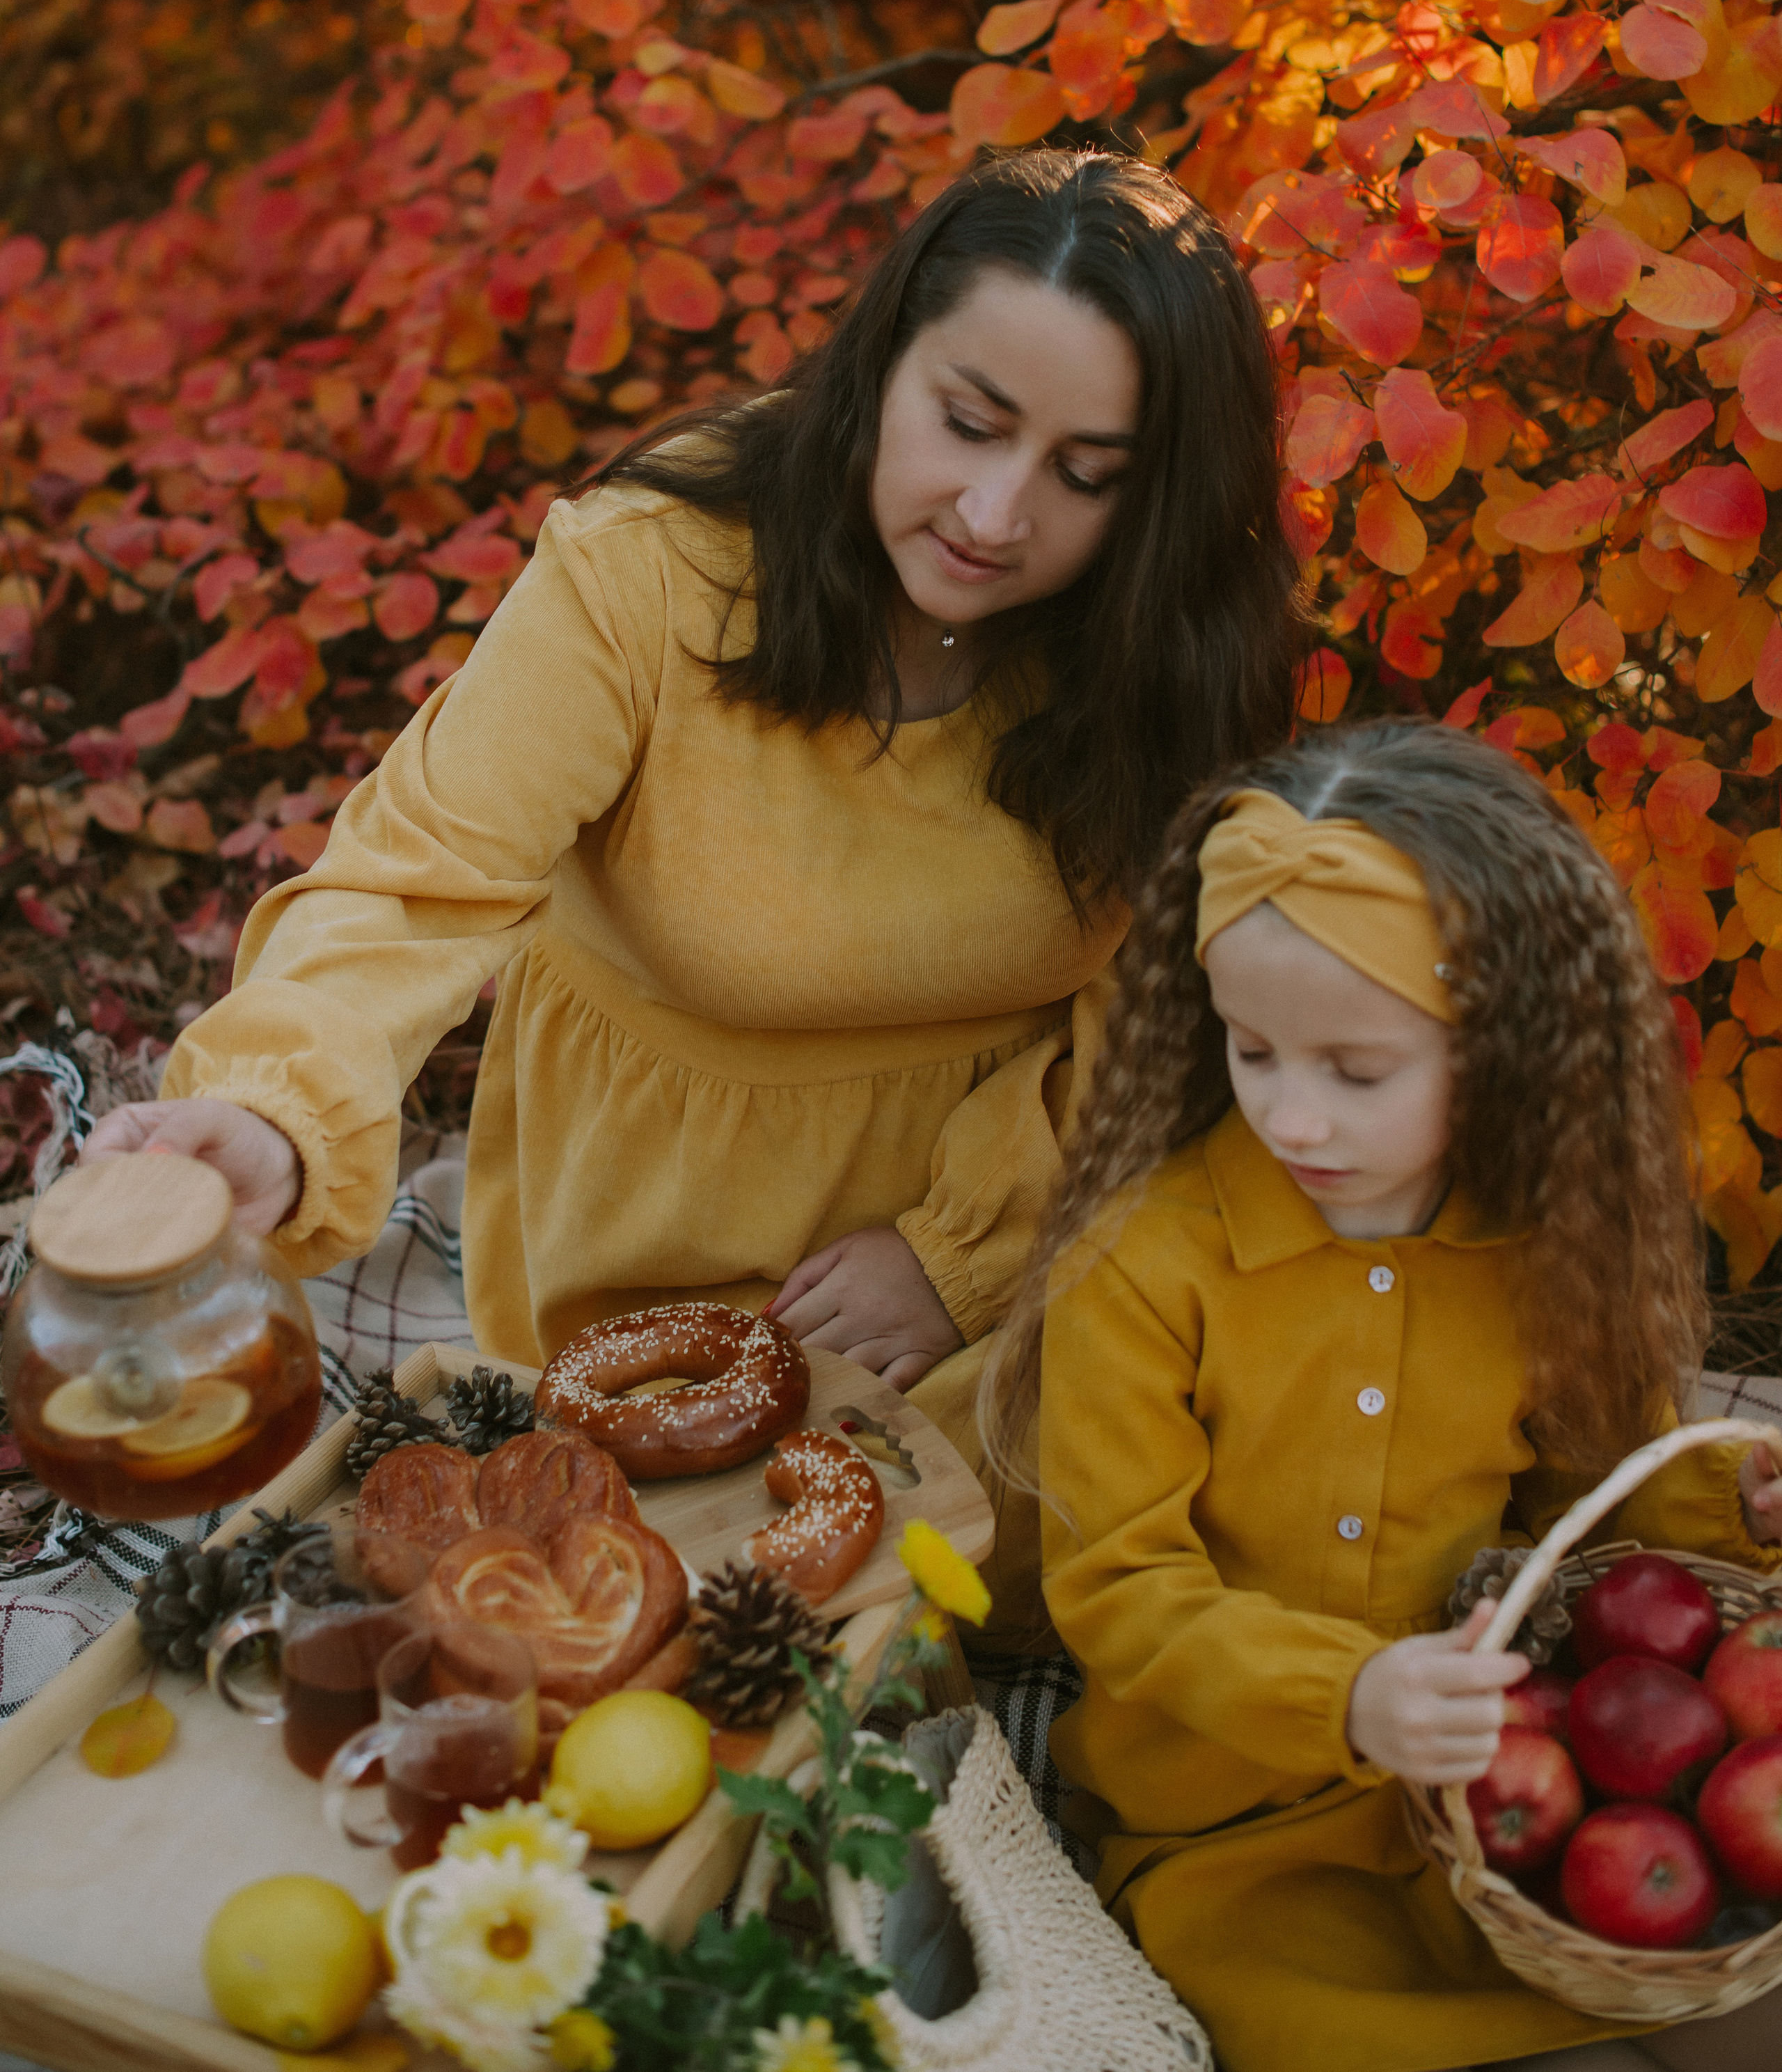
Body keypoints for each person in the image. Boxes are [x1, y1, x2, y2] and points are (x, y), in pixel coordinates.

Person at [86, 147, 1302, 1637]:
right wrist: (275, 1109)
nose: (995, 512)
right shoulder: (651, 575)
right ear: (882, 366)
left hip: (1025, 1228)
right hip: (649, 1253)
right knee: (635, 1600)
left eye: (1084, 475)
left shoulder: (1160, 647)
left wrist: (963, 1254)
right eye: (968, 423)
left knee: (1091, 1547)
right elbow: (419, 877)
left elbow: (1170, 999)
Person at [990, 719, 1782, 2060]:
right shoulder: (1145, 1263)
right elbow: (1121, 1586)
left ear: (1504, 1048)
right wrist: (1351, 1694)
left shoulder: (1532, 1245)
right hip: (1239, 1839)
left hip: (1519, 1784)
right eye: (1251, 1050)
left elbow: (1594, 1495)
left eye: (1357, 1071)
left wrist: (1732, 1499)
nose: (1293, 1116)